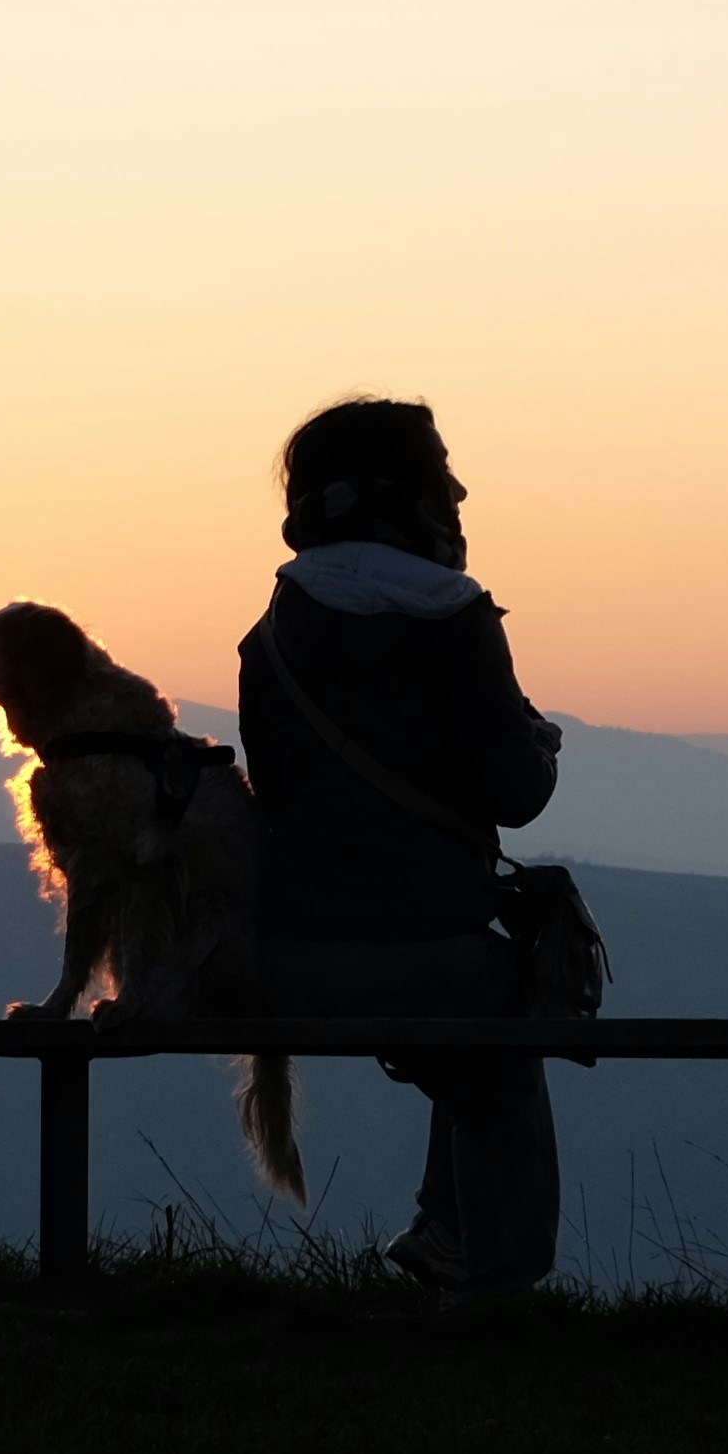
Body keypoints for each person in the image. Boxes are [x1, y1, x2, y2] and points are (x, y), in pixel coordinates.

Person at [236, 398, 565, 1293]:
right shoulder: (456, 619)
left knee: (469, 1029)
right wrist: (539, 740)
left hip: (291, 956)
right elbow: (518, 795)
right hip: (433, 957)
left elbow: (277, 792)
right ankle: (494, 1272)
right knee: (500, 1026)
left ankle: (444, 1230)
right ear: (419, 492)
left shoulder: (271, 632)